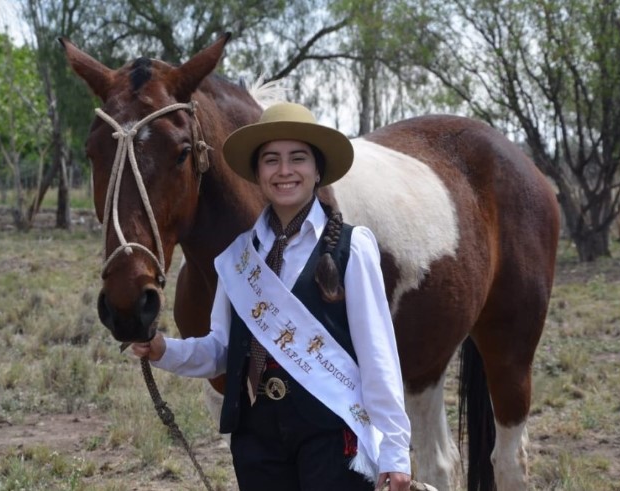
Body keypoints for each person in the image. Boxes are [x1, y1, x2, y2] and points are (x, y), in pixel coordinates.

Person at [131, 102, 412, 491]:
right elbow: (221, 350)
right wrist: (164, 351)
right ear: (257, 173)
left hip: (332, 432)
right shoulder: (237, 259)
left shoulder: (352, 248)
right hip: (256, 434)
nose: (284, 171)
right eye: (271, 160)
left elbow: (378, 356)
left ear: (317, 171)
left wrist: (395, 452)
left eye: (298, 158)